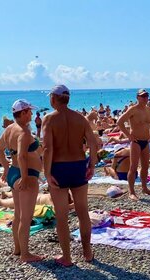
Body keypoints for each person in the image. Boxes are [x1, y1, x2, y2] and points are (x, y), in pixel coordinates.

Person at [42, 84, 96, 266]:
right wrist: (92, 165)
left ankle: (67, 257)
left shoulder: (49, 119)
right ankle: (87, 252)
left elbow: (48, 148)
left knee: (62, 216)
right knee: (83, 212)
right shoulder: (80, 118)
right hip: (78, 166)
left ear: (53, 99)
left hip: (58, 168)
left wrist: (47, 173)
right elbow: (93, 143)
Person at [0, 99, 43, 263]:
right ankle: (25, 254)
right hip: (26, 174)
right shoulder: (23, 132)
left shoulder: (9, 129)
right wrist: (26, 176)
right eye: (29, 111)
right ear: (23, 113)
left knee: (18, 214)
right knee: (26, 217)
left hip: (14, 173)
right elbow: (22, 155)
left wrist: (7, 168)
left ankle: (17, 248)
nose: (31, 114)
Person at [117, 89, 150, 201]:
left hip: (145, 141)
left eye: (146, 96)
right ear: (137, 98)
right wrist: (129, 135)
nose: (145, 98)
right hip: (136, 142)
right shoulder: (133, 109)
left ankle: (144, 188)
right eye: (142, 96)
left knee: (145, 166)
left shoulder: (148, 110)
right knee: (133, 167)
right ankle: (132, 192)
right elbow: (119, 122)